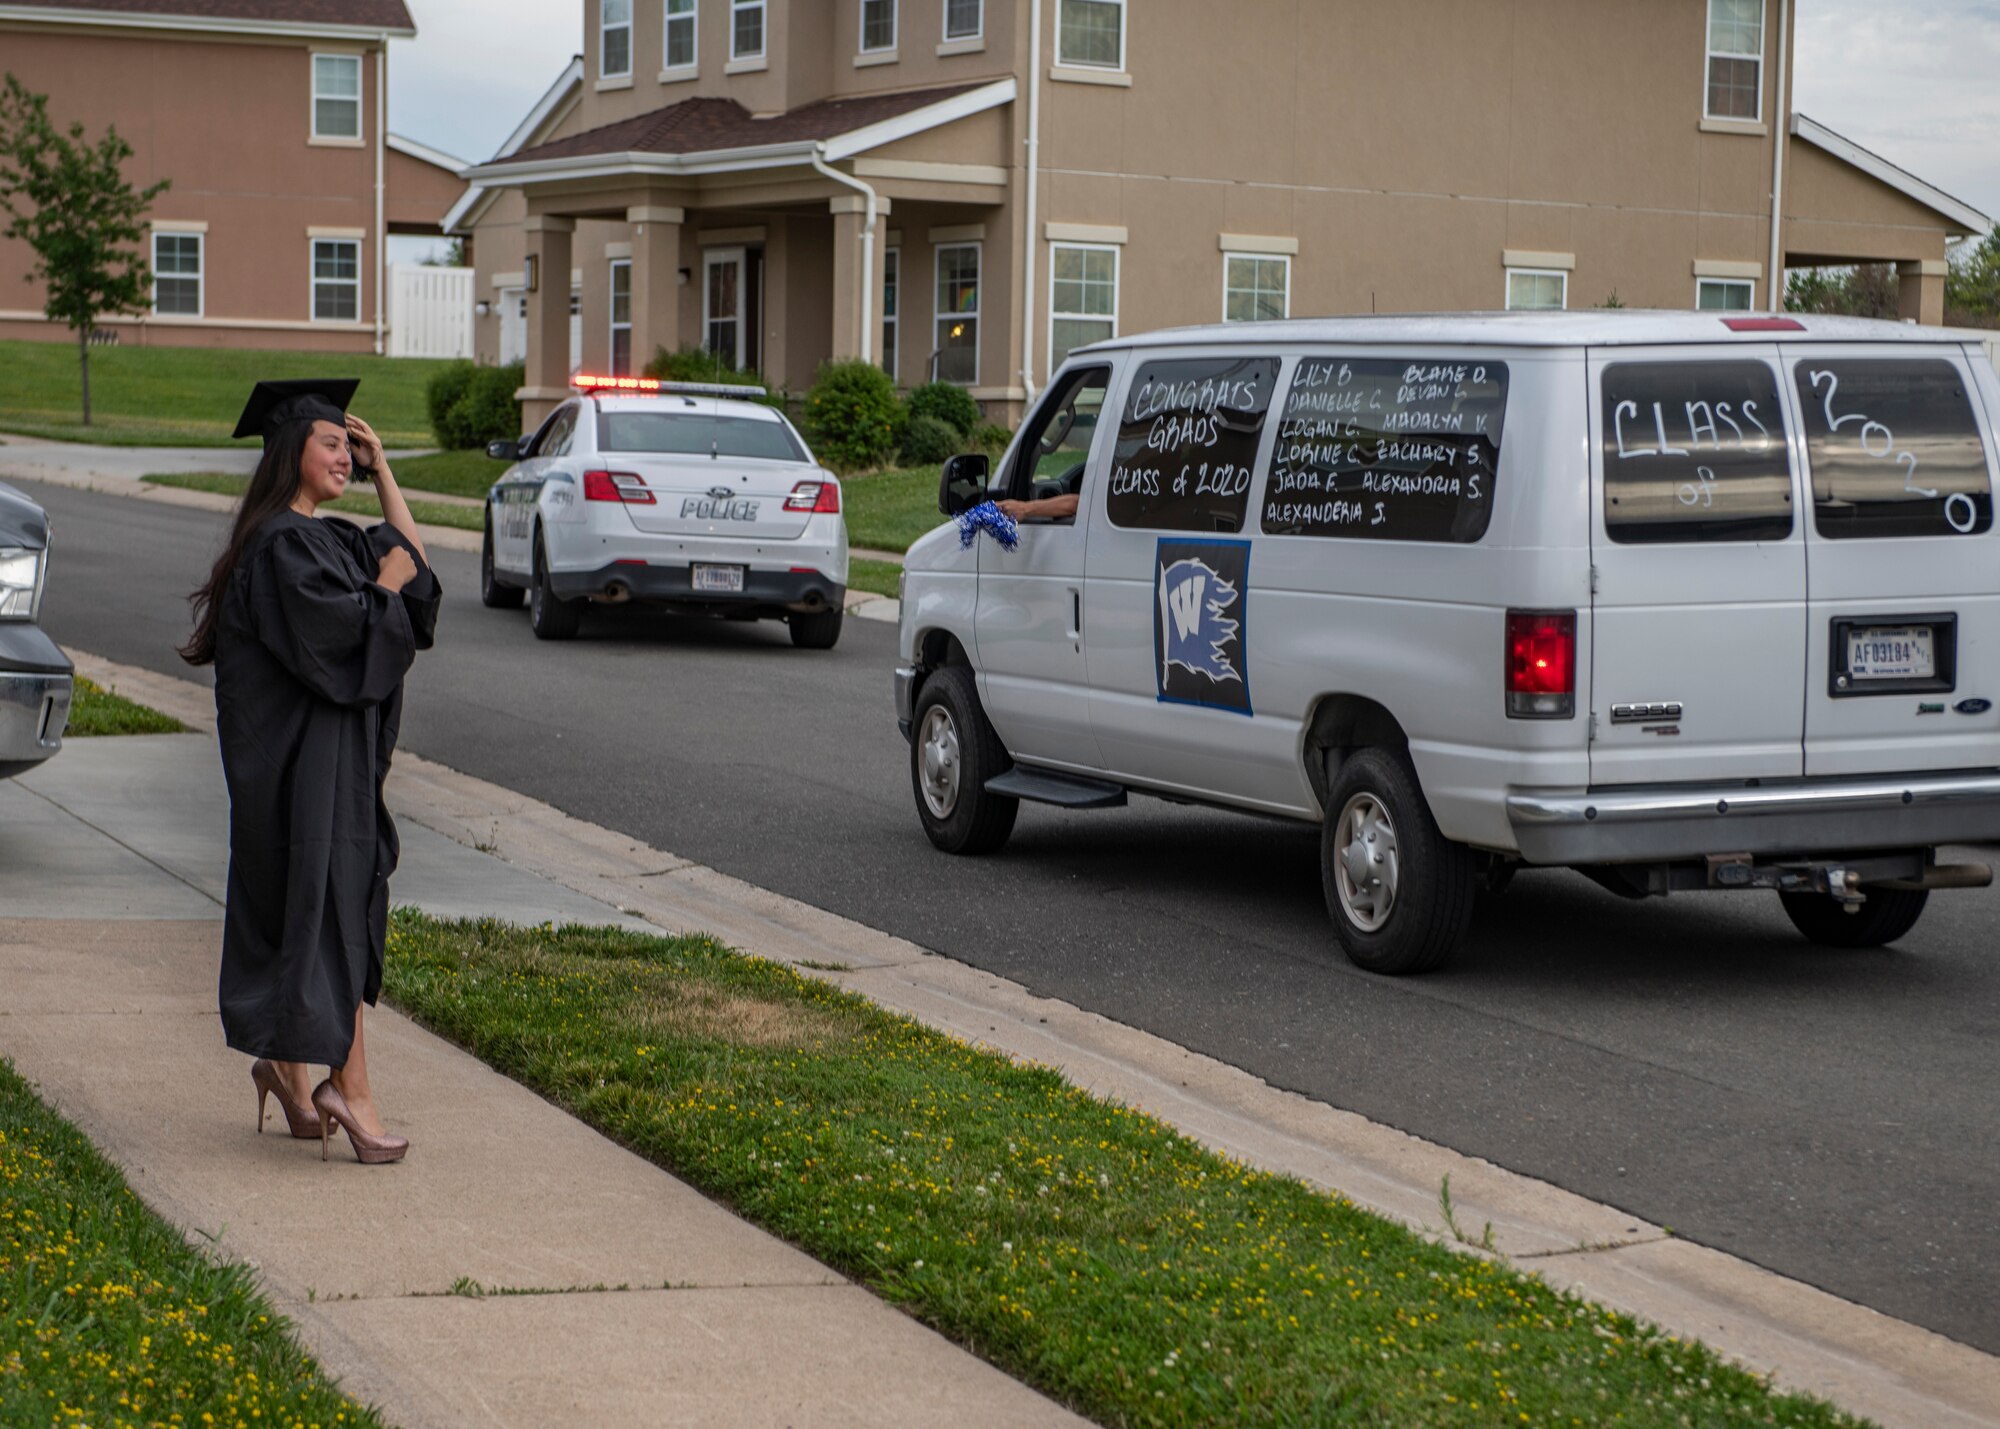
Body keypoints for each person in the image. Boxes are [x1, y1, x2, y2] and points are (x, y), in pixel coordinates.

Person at [180, 379, 440, 1165]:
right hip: (301, 776)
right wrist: (383, 593)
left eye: (349, 444)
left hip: (323, 772)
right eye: (330, 442)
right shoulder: (283, 547)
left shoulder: (320, 538)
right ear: (291, 451)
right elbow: (346, 643)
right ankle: (347, 1090)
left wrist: (386, 471)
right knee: (327, 914)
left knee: (316, 914)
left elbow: (416, 581)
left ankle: (291, 1071)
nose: (345, 455)